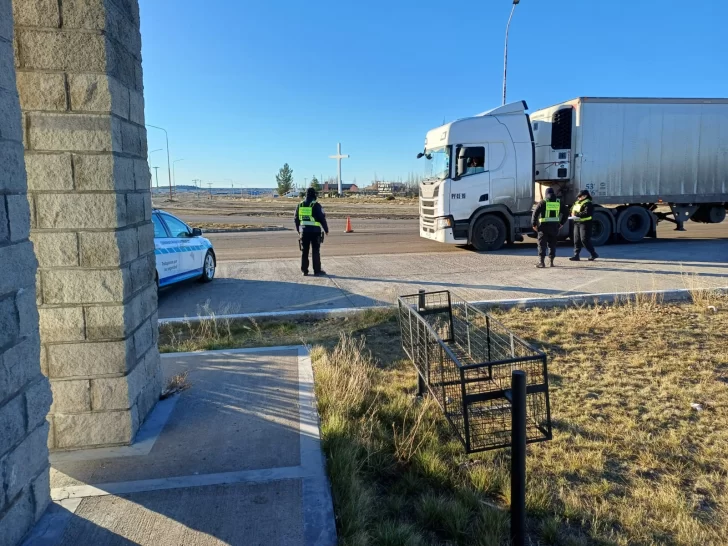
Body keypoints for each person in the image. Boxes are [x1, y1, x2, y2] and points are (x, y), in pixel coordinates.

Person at [295, 188, 329, 276]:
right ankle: (317, 271)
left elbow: (296, 219)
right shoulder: (316, 205)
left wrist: (298, 230)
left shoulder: (300, 205)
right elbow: (322, 218)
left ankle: (304, 270)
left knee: (304, 251)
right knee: (315, 251)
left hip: (304, 231)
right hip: (315, 231)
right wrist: (326, 230)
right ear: (314, 194)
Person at [531, 187, 565, 268]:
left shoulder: (543, 202)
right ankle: (551, 262)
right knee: (552, 244)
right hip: (554, 227)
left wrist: (534, 224)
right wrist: (561, 223)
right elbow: (566, 213)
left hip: (543, 227)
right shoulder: (559, 202)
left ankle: (541, 262)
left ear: (546, 194)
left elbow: (535, 213)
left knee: (541, 244)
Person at [570, 189, 599, 261]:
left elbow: (586, 213)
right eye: (578, 196)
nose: (578, 197)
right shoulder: (576, 203)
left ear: (585, 196)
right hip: (577, 223)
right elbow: (571, 210)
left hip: (585, 223)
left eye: (580, 196)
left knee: (584, 240)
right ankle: (576, 255)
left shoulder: (588, 203)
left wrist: (576, 214)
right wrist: (571, 213)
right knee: (576, 239)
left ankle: (593, 254)